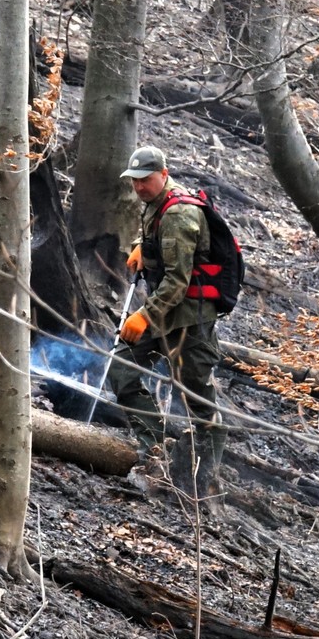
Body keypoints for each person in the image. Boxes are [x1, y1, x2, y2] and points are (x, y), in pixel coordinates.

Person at [108, 145, 226, 508]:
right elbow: (162, 245)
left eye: (145, 180)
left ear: (163, 173)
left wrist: (143, 316)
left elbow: (177, 280)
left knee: (199, 405)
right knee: (123, 371)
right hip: (164, 316)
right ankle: (153, 450)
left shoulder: (179, 213)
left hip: (190, 321)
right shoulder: (157, 205)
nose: (139, 187)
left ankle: (196, 486)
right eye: (135, 181)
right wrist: (141, 246)